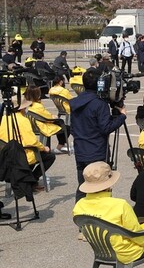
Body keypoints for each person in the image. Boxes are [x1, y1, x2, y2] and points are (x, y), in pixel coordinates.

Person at [74, 162, 144, 268]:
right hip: (125, 253)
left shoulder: (79, 205)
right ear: (109, 184)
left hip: (102, 251)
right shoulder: (120, 205)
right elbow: (137, 235)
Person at [69, 69, 127, 201]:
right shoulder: (99, 104)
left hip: (81, 151)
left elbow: (72, 128)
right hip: (97, 151)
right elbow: (105, 127)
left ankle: (80, 212)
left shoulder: (75, 102)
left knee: (83, 185)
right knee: (101, 187)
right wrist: (122, 116)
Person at [0, 98, 57, 183]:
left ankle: (27, 179)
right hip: (21, 154)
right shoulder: (23, 120)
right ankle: (32, 180)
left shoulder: (4, 118)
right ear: (22, 108)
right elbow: (31, 141)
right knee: (50, 156)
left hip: (6, 153)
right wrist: (43, 148)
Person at [23, 86, 69, 153]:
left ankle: (60, 146)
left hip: (34, 126)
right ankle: (60, 145)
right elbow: (48, 118)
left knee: (60, 124)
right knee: (66, 127)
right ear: (38, 95)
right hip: (43, 127)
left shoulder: (28, 105)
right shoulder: (38, 106)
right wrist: (54, 117)